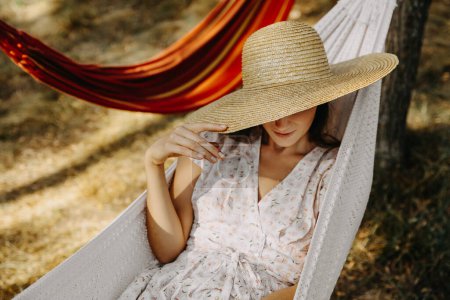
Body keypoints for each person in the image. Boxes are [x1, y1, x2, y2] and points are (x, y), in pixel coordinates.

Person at [118, 20, 398, 300]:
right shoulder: (212, 144)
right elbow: (168, 250)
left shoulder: (332, 173)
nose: (281, 121)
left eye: (295, 104)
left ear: (320, 98)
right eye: (269, 106)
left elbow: (317, 281)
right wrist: (153, 165)